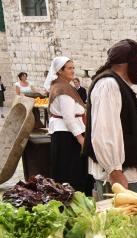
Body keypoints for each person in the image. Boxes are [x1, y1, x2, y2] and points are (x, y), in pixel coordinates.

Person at [84, 39, 137, 195]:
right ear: (130, 63)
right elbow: (104, 132)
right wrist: (114, 170)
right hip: (118, 177)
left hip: (126, 175)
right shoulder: (108, 85)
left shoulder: (118, 84)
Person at [44, 56, 92, 194]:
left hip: (67, 133)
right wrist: (81, 139)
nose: (73, 71)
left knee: (69, 169)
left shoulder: (63, 86)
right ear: (60, 71)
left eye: (73, 68)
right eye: (69, 68)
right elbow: (68, 118)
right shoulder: (62, 90)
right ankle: (73, 198)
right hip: (67, 135)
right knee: (71, 171)